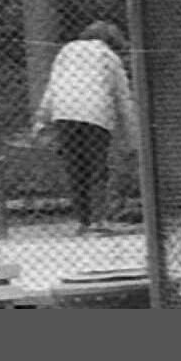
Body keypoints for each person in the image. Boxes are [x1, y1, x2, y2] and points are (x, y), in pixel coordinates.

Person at [35, 14, 135, 233]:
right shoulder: (109, 57)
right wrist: (132, 137)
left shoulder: (66, 51)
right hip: (96, 113)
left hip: (64, 112)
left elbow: (52, 87)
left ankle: (83, 221)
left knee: (75, 167)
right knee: (97, 168)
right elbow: (123, 98)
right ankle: (99, 220)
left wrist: (41, 119)